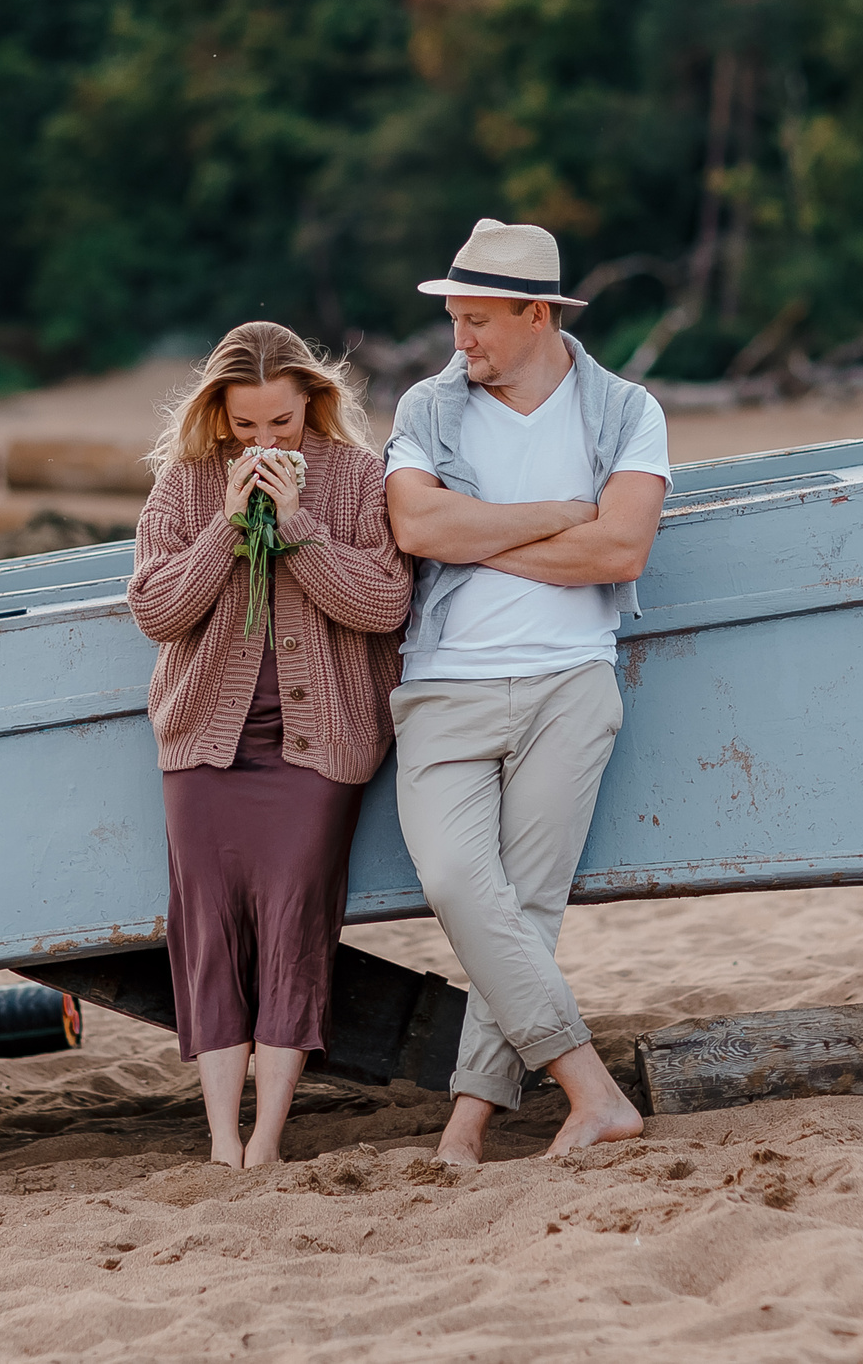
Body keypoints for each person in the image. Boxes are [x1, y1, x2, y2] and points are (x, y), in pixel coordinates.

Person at [383, 218, 669, 1164]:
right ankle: (592, 1091)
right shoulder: (428, 407)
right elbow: (420, 525)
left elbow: (620, 548)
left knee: (528, 906)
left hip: (569, 687)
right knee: (462, 883)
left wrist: (485, 530)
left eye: (477, 321)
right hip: (443, 691)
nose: (459, 342)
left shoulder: (627, 410)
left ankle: (466, 1128)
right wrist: (554, 518)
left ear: (536, 313)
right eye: (454, 319)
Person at [126, 322, 414, 1167]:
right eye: (244, 426)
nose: (262, 442)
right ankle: (220, 1140)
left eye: (280, 425)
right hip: (202, 746)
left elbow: (385, 603)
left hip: (315, 746)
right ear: (219, 413)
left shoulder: (360, 478)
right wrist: (223, 527)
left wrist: (295, 527)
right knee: (207, 930)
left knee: (296, 923)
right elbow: (155, 611)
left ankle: (267, 1138)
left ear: (310, 406)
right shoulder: (182, 485)